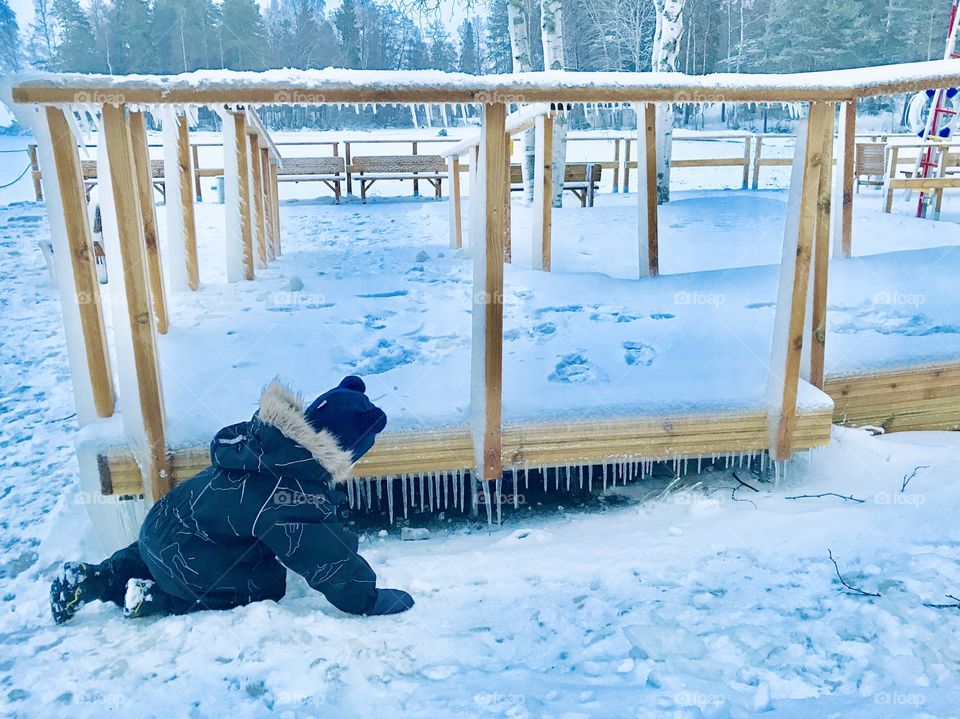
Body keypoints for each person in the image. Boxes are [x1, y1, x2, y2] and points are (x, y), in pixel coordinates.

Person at [50, 376, 413, 623]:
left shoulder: (265, 446)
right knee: (265, 585)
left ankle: (95, 579)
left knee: (150, 555)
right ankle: (156, 599)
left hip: (161, 526)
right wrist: (366, 599)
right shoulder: (295, 495)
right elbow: (324, 556)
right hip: (191, 557)